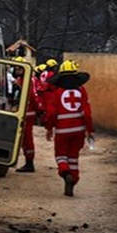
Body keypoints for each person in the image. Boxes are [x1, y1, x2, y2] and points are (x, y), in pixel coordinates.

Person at [45, 60, 93, 197]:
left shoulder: (57, 92)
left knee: (61, 156)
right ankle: (74, 178)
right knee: (73, 156)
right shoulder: (81, 90)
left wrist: (49, 128)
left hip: (62, 130)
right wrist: (90, 130)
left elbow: (51, 113)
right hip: (79, 130)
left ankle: (65, 172)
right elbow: (87, 113)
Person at [12, 57, 39, 173]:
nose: (17, 70)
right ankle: (26, 161)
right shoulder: (21, 79)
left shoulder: (28, 80)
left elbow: (33, 97)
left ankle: (29, 163)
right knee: (23, 139)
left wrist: (39, 110)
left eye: (19, 68)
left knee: (27, 138)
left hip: (27, 113)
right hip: (22, 112)